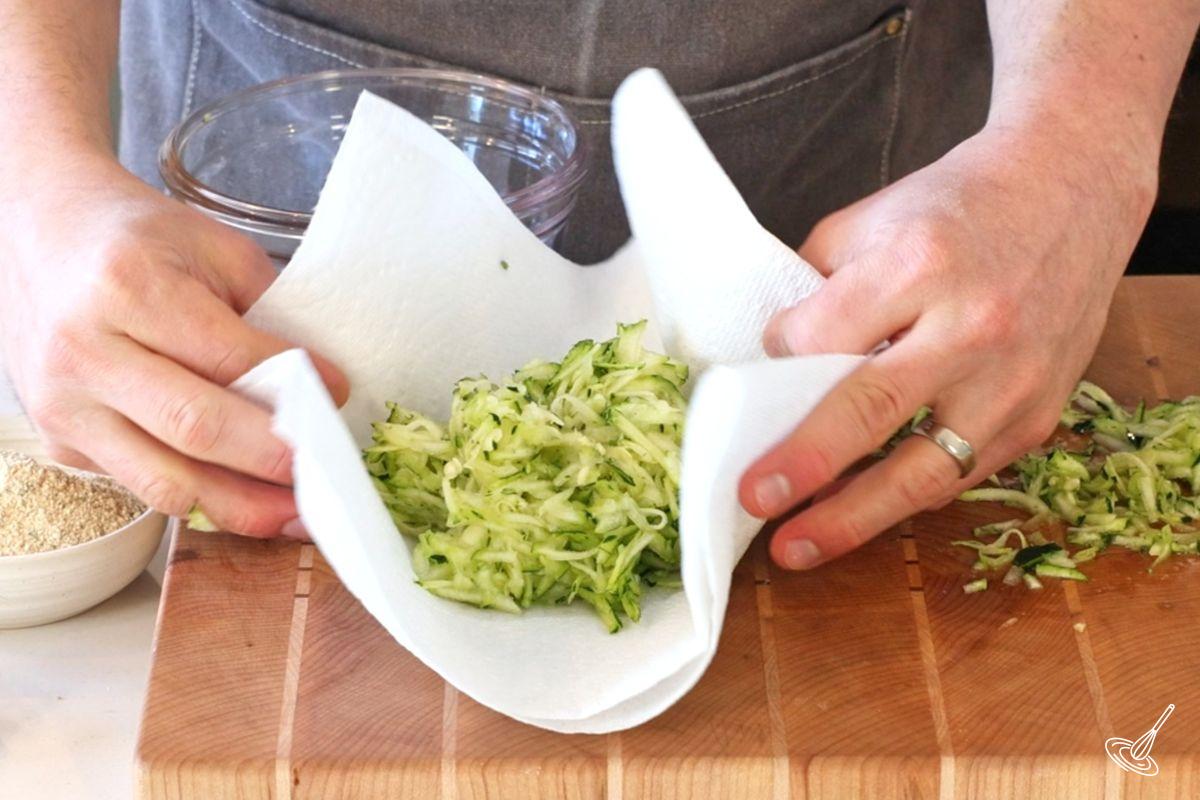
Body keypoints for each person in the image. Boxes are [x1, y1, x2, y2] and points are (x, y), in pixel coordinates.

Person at [1, 1, 1197, 566]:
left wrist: (1081, 135)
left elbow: (1079, 130)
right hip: (268, 167)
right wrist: (29, 169)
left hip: (862, 195)